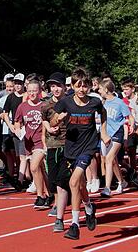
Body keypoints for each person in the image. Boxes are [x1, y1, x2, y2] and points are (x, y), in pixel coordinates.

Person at [51, 69, 108, 241]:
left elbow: (103, 114)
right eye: (78, 86)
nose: (82, 89)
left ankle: (75, 225)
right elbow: (53, 122)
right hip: (71, 149)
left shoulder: (95, 102)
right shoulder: (65, 103)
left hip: (88, 148)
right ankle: (89, 208)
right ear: (73, 86)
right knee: (81, 186)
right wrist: (58, 121)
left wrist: (103, 133)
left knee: (74, 181)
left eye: (85, 86)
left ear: (90, 86)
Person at [13, 79, 50, 209]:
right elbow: (17, 121)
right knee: (40, 169)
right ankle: (50, 194)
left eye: (35, 91)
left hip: (41, 141)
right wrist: (18, 130)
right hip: (29, 142)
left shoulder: (44, 105)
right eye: (30, 91)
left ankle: (40, 196)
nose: (32, 93)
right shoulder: (22, 106)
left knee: (34, 167)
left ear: (40, 91)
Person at [42, 72, 69, 226]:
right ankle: (59, 201)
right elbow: (44, 120)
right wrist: (49, 128)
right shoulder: (46, 104)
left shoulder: (70, 102)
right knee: (52, 179)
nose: (56, 89)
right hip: (52, 144)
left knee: (62, 178)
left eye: (58, 85)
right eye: (53, 86)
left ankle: (59, 206)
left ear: (64, 86)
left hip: (68, 145)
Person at [98, 79, 131, 197]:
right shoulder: (103, 103)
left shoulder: (119, 102)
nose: (98, 91)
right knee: (113, 161)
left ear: (106, 89)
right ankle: (122, 181)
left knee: (109, 158)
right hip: (107, 134)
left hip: (118, 132)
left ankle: (107, 188)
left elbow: (129, 116)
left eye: (100, 89)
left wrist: (128, 132)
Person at [2, 73, 27, 190]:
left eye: (20, 84)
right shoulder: (10, 97)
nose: (18, 86)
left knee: (24, 155)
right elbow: (5, 113)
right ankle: (21, 177)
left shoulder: (27, 96)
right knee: (18, 155)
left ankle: (24, 178)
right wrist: (10, 125)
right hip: (16, 129)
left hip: (26, 128)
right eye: (16, 83)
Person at [121, 77, 138, 187]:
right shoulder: (123, 101)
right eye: (123, 89)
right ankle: (133, 173)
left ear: (132, 88)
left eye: (127, 89)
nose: (125, 91)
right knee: (130, 152)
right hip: (129, 129)